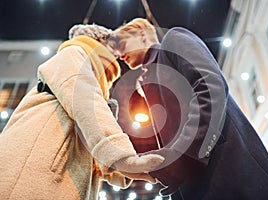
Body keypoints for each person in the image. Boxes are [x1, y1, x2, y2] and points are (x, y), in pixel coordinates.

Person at [112, 18, 268, 199]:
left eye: (121, 43)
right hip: (200, 182)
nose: (119, 54)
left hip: (228, 170)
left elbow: (210, 87)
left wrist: (179, 158)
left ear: (142, 34)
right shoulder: (149, 79)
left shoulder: (173, 40)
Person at [0, 24, 164, 200]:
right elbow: (85, 100)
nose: (118, 55)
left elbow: (91, 139)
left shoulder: (98, 87)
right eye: (112, 45)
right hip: (31, 172)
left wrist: (121, 168)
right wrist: (123, 158)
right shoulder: (74, 54)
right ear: (99, 41)